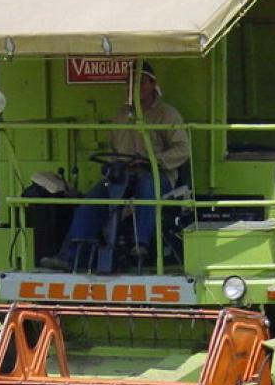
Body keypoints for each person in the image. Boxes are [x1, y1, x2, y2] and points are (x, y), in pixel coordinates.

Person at [40, 63, 189, 271]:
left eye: (141, 82)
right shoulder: (120, 115)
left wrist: (153, 160)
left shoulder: (167, 114)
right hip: (124, 175)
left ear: (152, 84)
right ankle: (69, 257)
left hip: (157, 174)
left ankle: (141, 245)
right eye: (130, 82)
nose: (135, 87)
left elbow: (182, 149)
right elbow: (114, 148)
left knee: (148, 186)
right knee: (94, 198)